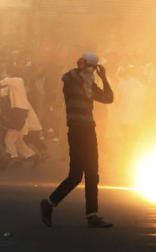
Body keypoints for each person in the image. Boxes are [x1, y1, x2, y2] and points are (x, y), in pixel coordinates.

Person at [41, 52, 114, 228]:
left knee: (92, 174)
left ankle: (92, 214)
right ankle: (49, 203)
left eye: (91, 67)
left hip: (89, 129)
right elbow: (69, 77)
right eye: (86, 65)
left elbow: (109, 98)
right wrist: (83, 67)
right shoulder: (71, 80)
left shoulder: (90, 84)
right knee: (75, 176)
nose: (88, 69)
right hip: (76, 130)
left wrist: (103, 78)